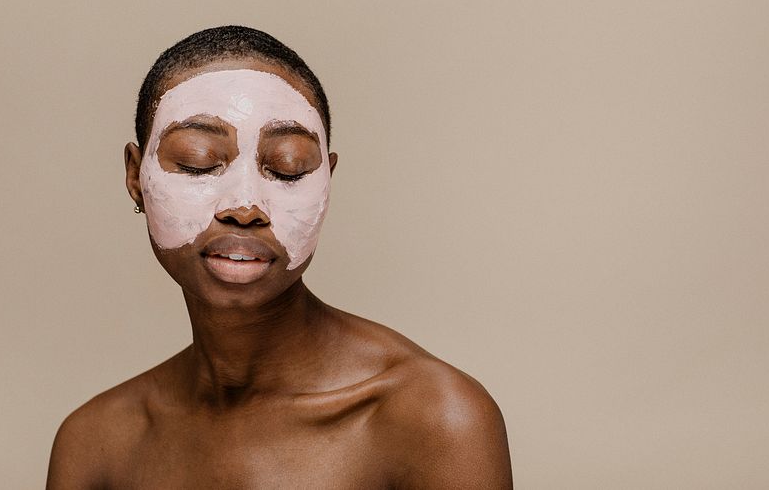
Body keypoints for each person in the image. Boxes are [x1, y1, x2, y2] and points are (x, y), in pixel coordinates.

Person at [46, 26, 512, 488]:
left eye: (288, 168)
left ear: (327, 182)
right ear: (135, 176)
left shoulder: (434, 418)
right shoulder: (94, 444)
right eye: (198, 162)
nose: (245, 207)